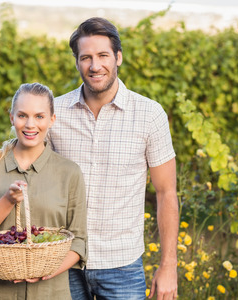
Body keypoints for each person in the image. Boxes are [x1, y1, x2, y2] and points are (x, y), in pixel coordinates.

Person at [47, 17, 179, 300]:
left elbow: (167, 192)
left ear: (118, 57)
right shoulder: (54, 113)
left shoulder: (149, 115)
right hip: (63, 260)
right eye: (86, 58)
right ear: (77, 61)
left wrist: (169, 266)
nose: (95, 66)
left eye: (103, 55)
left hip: (122, 264)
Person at [0, 83, 87, 300]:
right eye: (22, 115)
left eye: (39, 116)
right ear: (12, 117)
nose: (30, 125)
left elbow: (79, 242)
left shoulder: (69, 173)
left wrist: (43, 273)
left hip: (51, 293)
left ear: (52, 120)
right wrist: (7, 200)